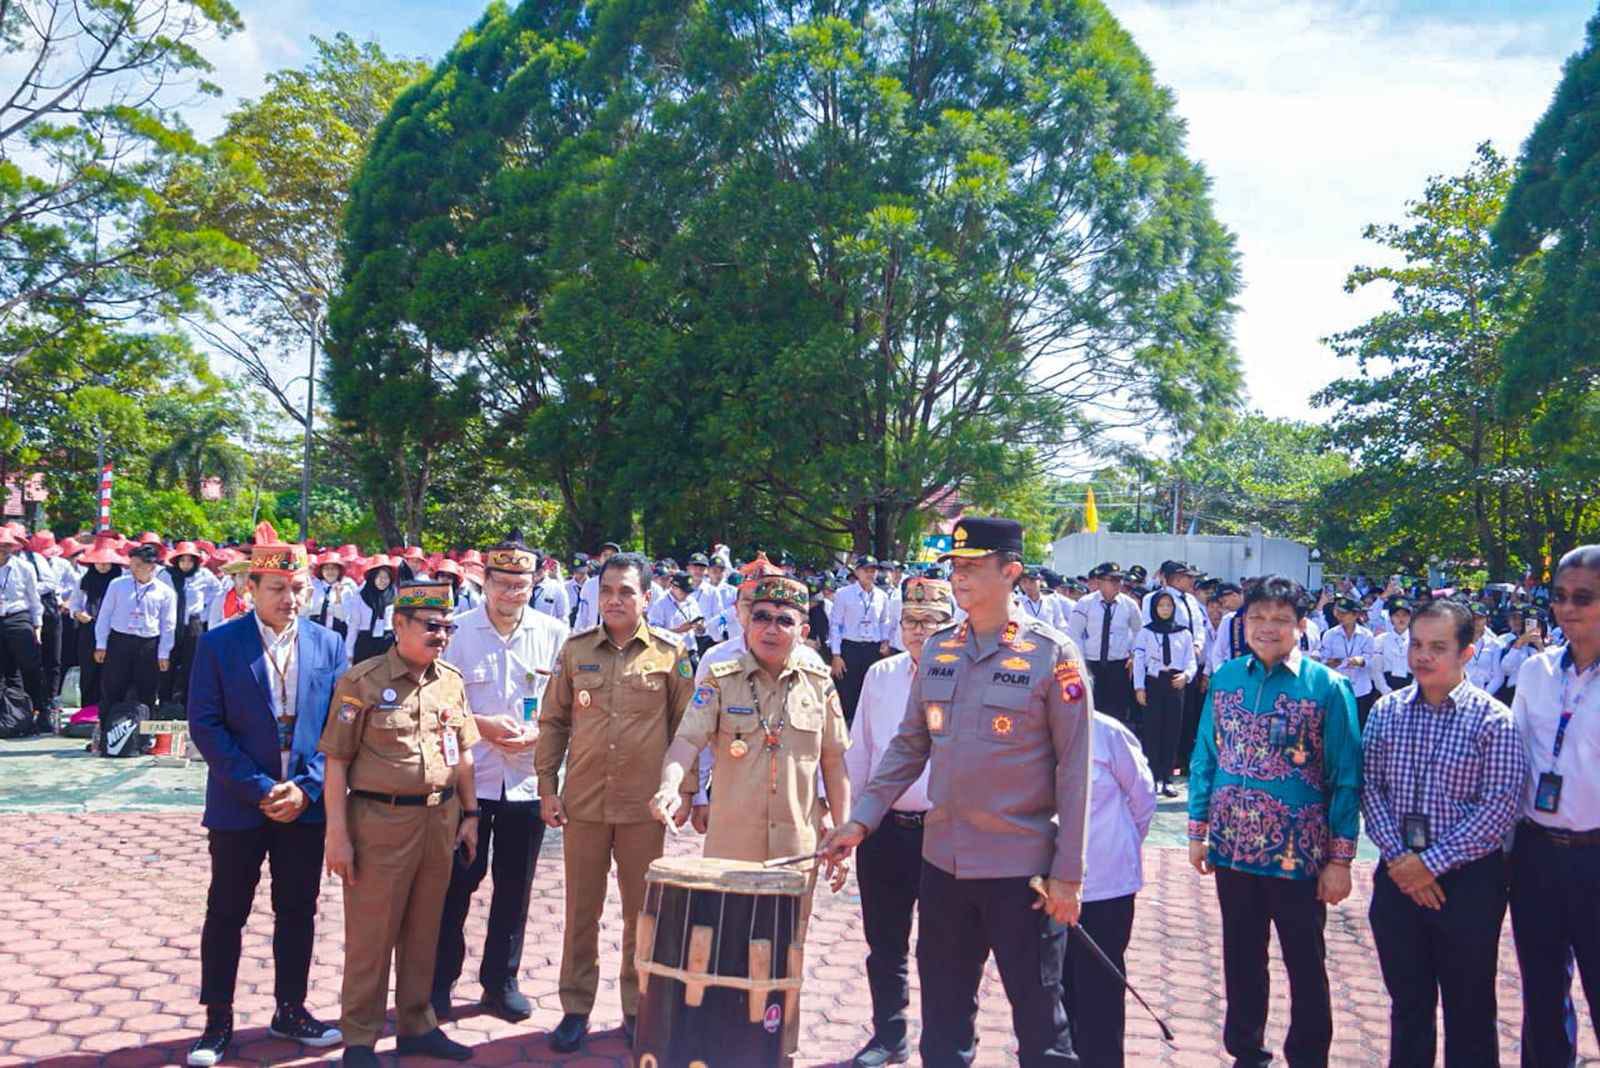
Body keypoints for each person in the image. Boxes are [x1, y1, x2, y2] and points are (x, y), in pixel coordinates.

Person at [821, 516, 1091, 1067]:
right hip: (943, 865)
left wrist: (1068, 874)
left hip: (1022, 872)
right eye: (955, 567)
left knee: (1042, 1026)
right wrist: (860, 819)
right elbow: (907, 746)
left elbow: (1074, 771)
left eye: (972, 567)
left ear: (1010, 571)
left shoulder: (1052, 654)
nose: (960, 578)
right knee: (943, 1024)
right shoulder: (941, 649)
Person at [650, 573, 852, 1057]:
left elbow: (835, 761)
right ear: (745, 620)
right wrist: (669, 785)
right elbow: (686, 739)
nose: (772, 627)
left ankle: (776, 1050)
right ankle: (722, 1048)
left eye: (785, 620)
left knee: (786, 952)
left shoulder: (819, 681)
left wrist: (843, 834)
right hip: (731, 846)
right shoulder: (719, 677)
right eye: (761, 616)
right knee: (726, 945)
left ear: (803, 628)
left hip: (796, 851)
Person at [184, 526, 347, 1067]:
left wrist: (307, 788)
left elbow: (341, 728)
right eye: (276, 587)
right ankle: (217, 1020)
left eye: (298, 587)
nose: (290, 598)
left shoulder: (329, 643)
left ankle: (290, 1009)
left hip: (303, 806)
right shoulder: (219, 644)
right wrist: (259, 790)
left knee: (297, 909)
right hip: (239, 805)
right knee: (227, 911)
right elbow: (206, 725)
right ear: (251, 587)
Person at [1187, 575, 1361, 1068]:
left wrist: (1340, 860)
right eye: (1258, 617)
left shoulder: (1327, 686)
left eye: (1280, 619)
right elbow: (1205, 754)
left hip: (1299, 854)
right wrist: (1199, 832)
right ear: (1244, 622)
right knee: (1242, 957)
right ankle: (1247, 1051)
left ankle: (1308, 1056)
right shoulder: (1226, 678)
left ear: (1301, 626)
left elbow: (1346, 776)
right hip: (1233, 847)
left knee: (1305, 962)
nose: (1268, 628)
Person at [319, 580, 481, 1068]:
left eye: (447, 627)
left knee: (424, 929)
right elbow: (336, 761)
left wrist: (470, 814)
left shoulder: (449, 680)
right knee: (372, 935)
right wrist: (337, 835)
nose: (441, 635)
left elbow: (464, 751)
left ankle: (416, 1025)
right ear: (399, 625)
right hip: (379, 821)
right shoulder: (363, 681)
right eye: (431, 626)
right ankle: (360, 1039)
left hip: (439, 819)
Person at [536, 552, 695, 1053]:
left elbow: (686, 733)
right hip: (582, 803)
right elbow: (554, 721)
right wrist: (547, 785)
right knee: (581, 911)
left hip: (642, 809)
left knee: (641, 915)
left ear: (647, 597)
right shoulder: (576, 649)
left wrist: (684, 791)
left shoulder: (671, 654)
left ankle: (636, 1007)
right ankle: (575, 1008)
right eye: (607, 590)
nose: (615, 599)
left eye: (627, 591)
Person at [1361, 597, 1526, 1068]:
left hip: (1468, 883)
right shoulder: (1387, 712)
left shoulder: (1492, 719)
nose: (1422, 656)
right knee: (1408, 1006)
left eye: (1437, 646)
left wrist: (1428, 865)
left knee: (1469, 1009)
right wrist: (1402, 863)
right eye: (1416, 644)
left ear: (1467, 654)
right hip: (1397, 879)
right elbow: (1372, 789)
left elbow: (1498, 808)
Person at [431, 542, 568, 1022]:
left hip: (527, 782)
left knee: (516, 886)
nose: (512, 592)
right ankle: (438, 981)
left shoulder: (554, 634)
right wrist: (482, 725)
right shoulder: (458, 633)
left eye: (521, 585)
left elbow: (563, 706)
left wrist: (540, 730)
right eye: (502, 583)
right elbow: (437, 702)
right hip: (470, 779)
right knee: (455, 885)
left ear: (535, 586)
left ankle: (500, 981)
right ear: (483, 582)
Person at [842, 577, 952, 1067]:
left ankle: (943, 1042)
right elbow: (862, 750)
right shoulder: (880, 675)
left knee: (943, 946)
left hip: (943, 831)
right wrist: (852, 822)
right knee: (883, 941)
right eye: (911, 620)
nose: (919, 630)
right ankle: (889, 1035)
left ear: (952, 626)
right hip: (884, 828)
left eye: (931, 621)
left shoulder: (963, 676)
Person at [1508, 545, 1600, 1065]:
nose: (1567, 608)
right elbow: (1515, 758)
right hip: (1538, 853)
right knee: (1542, 994)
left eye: (1583, 598)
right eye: (1559, 596)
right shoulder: (1536, 672)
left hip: (1596, 856)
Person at [1066, 710, 1157, 1068]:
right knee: (1053, 990)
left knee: (1099, 991)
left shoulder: (1107, 732)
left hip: (1106, 885)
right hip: (1045, 886)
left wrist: (1116, 846)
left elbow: (1143, 798)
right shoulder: (1024, 727)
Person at [94, 542, 176, 712]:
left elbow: (168, 624)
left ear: (151, 566)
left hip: (148, 643)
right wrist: (101, 644)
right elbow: (105, 615)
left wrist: (164, 653)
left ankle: (144, 734)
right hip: (120, 640)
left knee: (147, 689)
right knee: (112, 687)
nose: (134, 568)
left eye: (139, 565)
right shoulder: (117, 584)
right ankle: (106, 730)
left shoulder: (165, 592)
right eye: (132, 564)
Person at [1134, 591, 1197, 797]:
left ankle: (1168, 778)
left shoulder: (1184, 633)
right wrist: (1139, 687)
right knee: (1152, 732)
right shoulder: (1146, 632)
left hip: (1175, 684)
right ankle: (1152, 777)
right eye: (1161, 606)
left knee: (1172, 731)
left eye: (1168, 606)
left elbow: (1190, 660)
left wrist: (1186, 676)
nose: (1165, 610)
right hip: (1153, 683)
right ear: (1154, 608)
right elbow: (1139, 661)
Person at [1070, 562, 1141, 726]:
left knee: (1117, 713)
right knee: (1091, 709)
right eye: (1112, 580)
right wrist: (1081, 662)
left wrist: (1133, 653)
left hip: (1119, 665)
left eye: (1120, 580)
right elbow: (1074, 633)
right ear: (1100, 582)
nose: (1118, 584)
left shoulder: (1129, 605)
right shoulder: (1085, 603)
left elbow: (1139, 631)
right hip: (1092, 664)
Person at [68, 534, 124, 710]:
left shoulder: (121, 581)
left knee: (111, 672)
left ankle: (109, 709)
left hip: (114, 630)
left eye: (107, 562)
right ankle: (87, 710)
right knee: (89, 670)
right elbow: (74, 603)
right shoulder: (84, 580)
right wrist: (78, 613)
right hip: (88, 627)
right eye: (99, 562)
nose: (103, 565)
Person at [831, 554, 887, 724]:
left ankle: (867, 722)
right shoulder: (843, 594)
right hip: (850, 647)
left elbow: (884, 621)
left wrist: (885, 642)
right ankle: (847, 724)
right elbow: (835, 625)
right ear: (857, 572)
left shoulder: (881, 596)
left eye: (873, 570)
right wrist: (836, 655)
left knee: (870, 687)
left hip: (872, 648)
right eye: (866, 570)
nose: (870, 574)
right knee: (848, 689)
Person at [0, 528, 47, 728]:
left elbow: (34, 599)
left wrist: (37, 625)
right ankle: (10, 713)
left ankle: (42, 709)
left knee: (31, 666)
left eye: (6, 546)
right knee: (5, 670)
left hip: (17, 617)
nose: (3, 550)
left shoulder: (24, 568)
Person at [157, 541, 208, 712]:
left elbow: (216, 591)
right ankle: (164, 701)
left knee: (191, 664)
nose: (186, 564)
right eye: (182, 560)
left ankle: (187, 704)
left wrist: (203, 611)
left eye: (190, 561)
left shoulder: (204, 575)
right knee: (167, 662)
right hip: (170, 623)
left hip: (192, 625)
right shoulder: (166, 575)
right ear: (176, 561)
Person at [1318, 594, 1378, 729]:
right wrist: (1328, 662)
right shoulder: (1330, 634)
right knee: (1338, 726)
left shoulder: (1366, 634)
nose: (1340, 617)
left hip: (1361, 688)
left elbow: (1371, 659)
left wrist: (1361, 661)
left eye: (1344, 613)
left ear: (1355, 615)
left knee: (1358, 726)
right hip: (1338, 687)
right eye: (1338, 613)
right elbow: (1323, 657)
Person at [345, 556, 396, 665]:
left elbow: (398, 624)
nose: (383, 581)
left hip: (387, 642)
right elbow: (353, 625)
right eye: (380, 577)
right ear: (372, 577)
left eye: (386, 577)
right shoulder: (360, 597)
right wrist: (348, 651)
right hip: (365, 642)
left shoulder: (395, 597)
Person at [572, 541, 620, 631]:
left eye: (612, 556)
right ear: (600, 559)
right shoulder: (589, 585)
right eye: (605, 555)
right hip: (592, 637)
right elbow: (582, 617)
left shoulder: (623, 584)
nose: (608, 559)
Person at [1371, 598, 1414, 697]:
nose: (1401, 619)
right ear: (1390, 618)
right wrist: (1385, 690)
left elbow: (1420, 669)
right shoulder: (1380, 640)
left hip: (1410, 686)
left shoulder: (1417, 640)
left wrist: (1412, 690)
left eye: (1404, 615)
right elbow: (1376, 670)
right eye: (1397, 615)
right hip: (1386, 686)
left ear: (1410, 617)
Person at [1463, 604, 1505, 697]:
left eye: (1480, 618)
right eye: (1472, 618)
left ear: (1487, 620)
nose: (1476, 621)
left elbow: (1498, 677)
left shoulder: (1494, 643)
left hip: (1486, 691)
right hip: (1461, 691)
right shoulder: (1458, 640)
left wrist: (1483, 696)